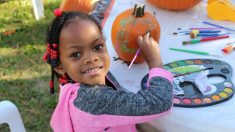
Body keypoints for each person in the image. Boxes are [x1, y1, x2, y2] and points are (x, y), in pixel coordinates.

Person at [43, 8, 173, 132]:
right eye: (76, 54)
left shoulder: (75, 79)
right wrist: (154, 61)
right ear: (60, 66)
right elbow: (159, 103)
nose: (92, 58)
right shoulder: (92, 100)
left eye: (97, 47)